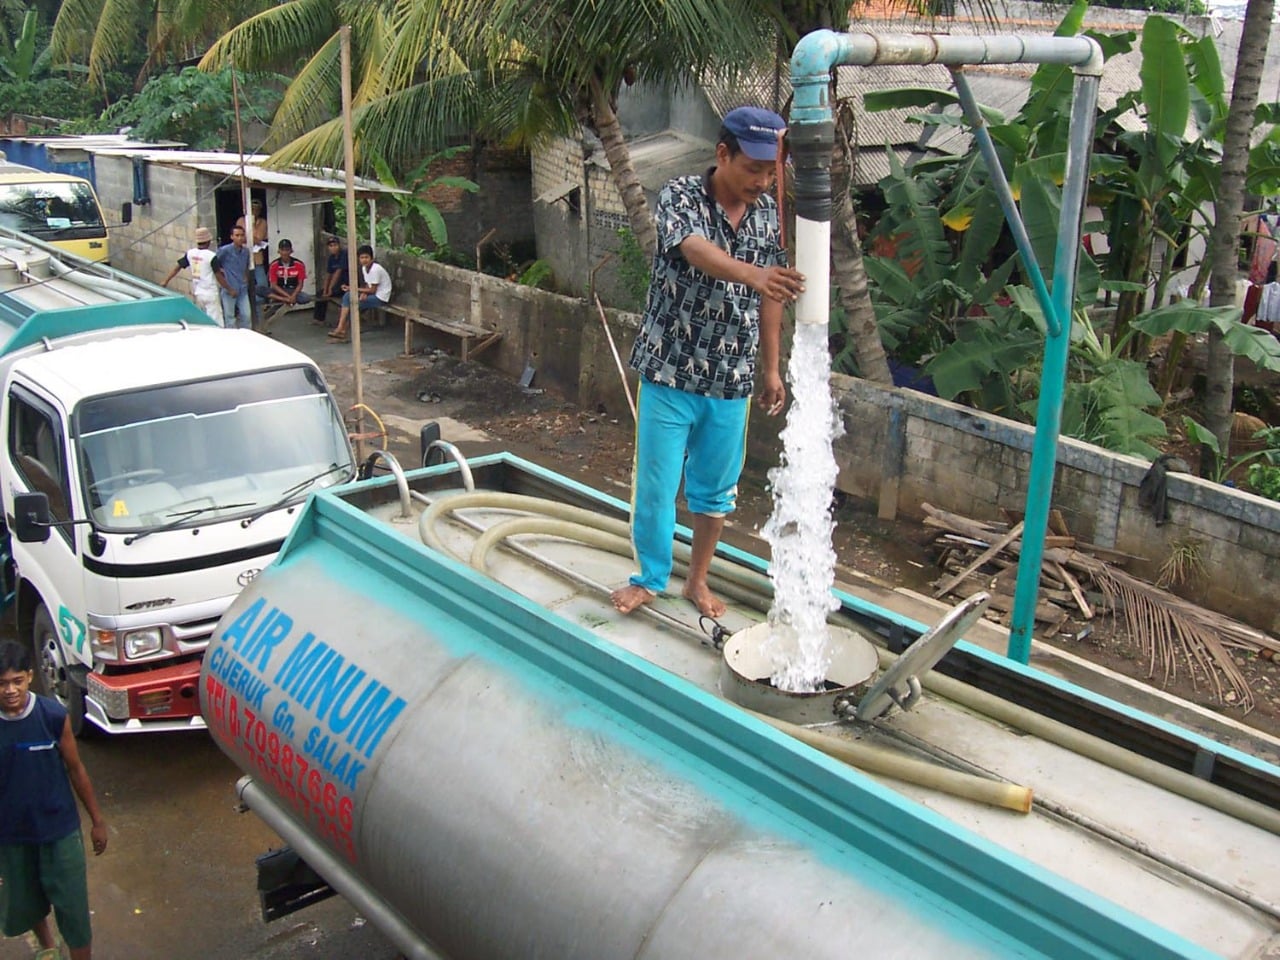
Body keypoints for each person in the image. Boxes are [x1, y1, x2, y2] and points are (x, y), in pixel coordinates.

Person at [610, 106, 805, 618]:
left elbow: (772, 296)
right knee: (655, 486)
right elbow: (694, 249)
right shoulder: (680, 196)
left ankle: (697, 581)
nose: (763, 182)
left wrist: (770, 368)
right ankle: (650, 578)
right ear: (723, 155)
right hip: (670, 372)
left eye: (771, 172)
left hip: (731, 381)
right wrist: (753, 274)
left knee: (716, 493)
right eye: (753, 170)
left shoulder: (766, 215)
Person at [0, 640, 108, 960]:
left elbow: (76, 769)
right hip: (12, 835)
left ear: (30, 677)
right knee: (27, 900)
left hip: (59, 830)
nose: (10, 690)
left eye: (17, 681)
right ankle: (48, 948)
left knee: (73, 909)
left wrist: (97, 822)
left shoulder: (52, 715)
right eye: (2, 684)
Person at [329, 245, 392, 343]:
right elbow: (368, 284)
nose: (364, 260)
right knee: (347, 297)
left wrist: (353, 289)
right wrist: (363, 293)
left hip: (380, 298)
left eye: (366, 257)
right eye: (362, 257)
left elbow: (373, 290)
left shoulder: (376, 269)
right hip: (373, 294)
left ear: (371, 258)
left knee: (352, 303)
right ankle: (341, 329)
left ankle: (341, 329)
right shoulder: (364, 268)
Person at [160, 225, 222, 324]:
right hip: (210, 292)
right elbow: (218, 276)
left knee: (203, 319)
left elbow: (177, 267)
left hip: (198, 292)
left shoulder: (190, 253)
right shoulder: (211, 256)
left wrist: (165, 281)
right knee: (215, 320)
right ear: (209, 241)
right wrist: (229, 289)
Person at [262, 239, 311, 329]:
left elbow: (300, 284)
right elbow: (274, 284)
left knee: (306, 298)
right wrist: (287, 297)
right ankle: (285, 301)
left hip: (292, 291)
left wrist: (293, 296)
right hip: (279, 291)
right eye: (282, 250)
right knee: (260, 289)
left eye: (287, 250)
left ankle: (286, 301)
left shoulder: (298, 264)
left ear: (291, 251)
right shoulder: (274, 265)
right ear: (278, 251)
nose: (284, 253)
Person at [214, 225, 252, 330]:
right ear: (232, 237)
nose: (240, 238)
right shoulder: (225, 250)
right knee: (230, 317)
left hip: (242, 288)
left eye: (242, 235)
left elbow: (246, 266)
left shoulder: (245, 251)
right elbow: (215, 266)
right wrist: (226, 284)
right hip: (229, 289)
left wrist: (246, 277)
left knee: (246, 315)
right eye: (237, 235)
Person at [235, 198, 270, 293]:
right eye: (253, 209)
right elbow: (240, 239)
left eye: (257, 209)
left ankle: (260, 304)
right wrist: (249, 237)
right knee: (244, 282)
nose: (255, 211)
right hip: (243, 256)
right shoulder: (241, 220)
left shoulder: (262, 222)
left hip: (257, 257)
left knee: (262, 283)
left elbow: (259, 239)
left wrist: (252, 225)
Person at [313, 236, 348, 326]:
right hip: (336, 285)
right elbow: (328, 274)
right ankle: (319, 319)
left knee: (332, 293)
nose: (333, 247)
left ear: (339, 245)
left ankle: (343, 322)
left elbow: (338, 272)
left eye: (335, 245)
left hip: (345, 284)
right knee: (320, 294)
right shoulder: (331, 258)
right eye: (331, 246)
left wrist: (330, 289)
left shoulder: (344, 254)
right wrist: (325, 289)